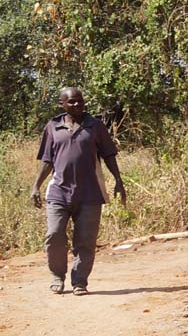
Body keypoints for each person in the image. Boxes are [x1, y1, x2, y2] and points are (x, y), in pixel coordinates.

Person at [30, 87, 127, 296]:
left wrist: (119, 181)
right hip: (59, 192)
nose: (77, 104)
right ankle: (57, 276)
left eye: (80, 100)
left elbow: (109, 155)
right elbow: (47, 160)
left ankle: (80, 281)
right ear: (62, 104)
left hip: (90, 193)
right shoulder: (53, 126)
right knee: (54, 234)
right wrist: (36, 186)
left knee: (86, 240)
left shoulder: (95, 126)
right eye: (72, 101)